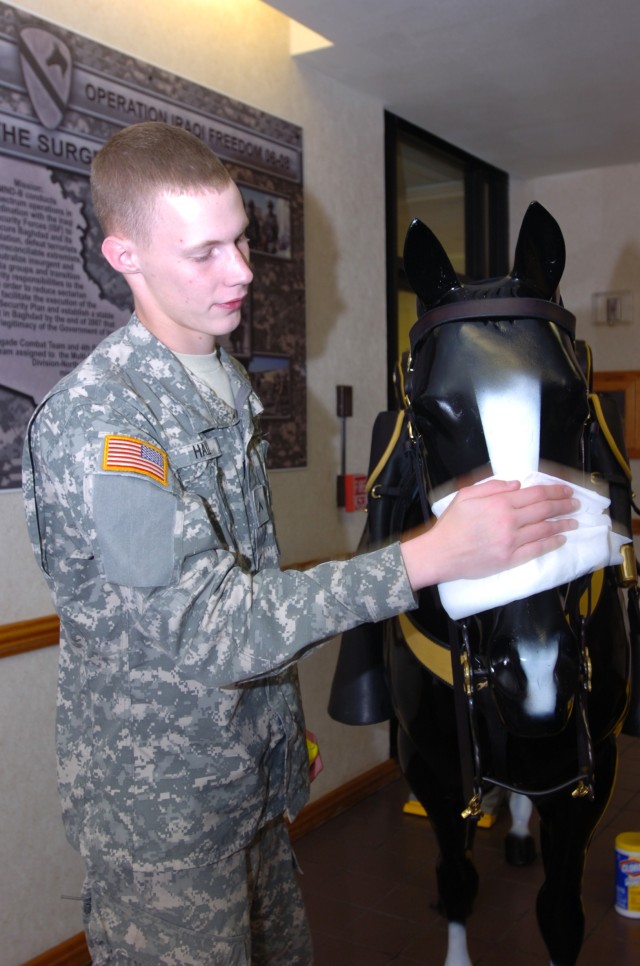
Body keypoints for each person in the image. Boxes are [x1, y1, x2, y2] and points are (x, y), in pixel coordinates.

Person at [22, 122, 578, 966]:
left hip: (244, 780)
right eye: (205, 252)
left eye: (241, 239)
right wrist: (430, 555)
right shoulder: (106, 425)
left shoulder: (222, 379)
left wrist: (277, 728)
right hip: (166, 821)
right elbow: (207, 627)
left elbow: (244, 573)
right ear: (124, 256)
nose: (242, 271)